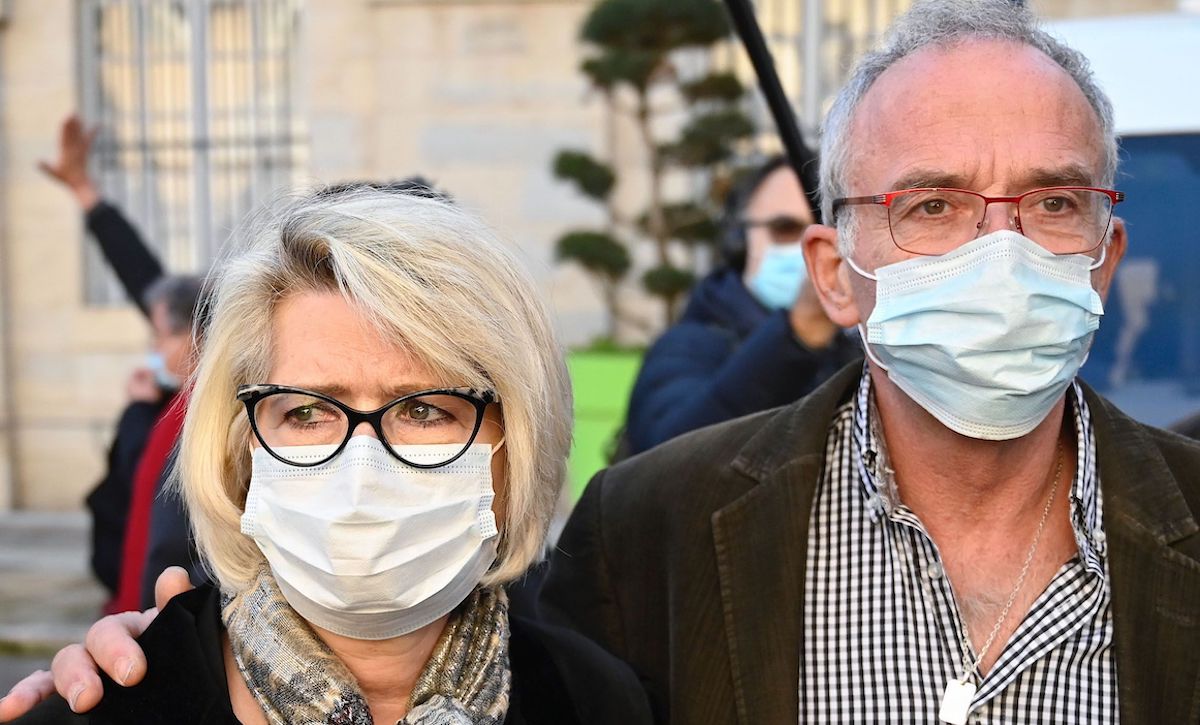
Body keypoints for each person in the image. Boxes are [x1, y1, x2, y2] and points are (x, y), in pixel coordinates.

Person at [540, 3, 1198, 724]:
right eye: (933, 206)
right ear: (833, 275)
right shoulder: (648, 531)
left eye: (1054, 202)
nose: (1002, 253)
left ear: (1106, 259)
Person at [1, 186, 651, 724]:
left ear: (517, 444)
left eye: (425, 409)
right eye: (307, 412)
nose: (361, 466)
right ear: (243, 447)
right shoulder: (116, 702)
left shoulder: (593, 698)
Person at [39, 114, 206, 609]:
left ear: (198, 335)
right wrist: (85, 191)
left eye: (160, 336)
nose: (154, 350)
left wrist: (136, 412)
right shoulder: (172, 393)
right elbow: (142, 275)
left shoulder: (212, 411)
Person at [622, 157, 859, 455]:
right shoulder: (687, 345)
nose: (811, 248)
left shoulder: (859, 346)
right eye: (786, 228)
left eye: (829, 230)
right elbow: (669, 455)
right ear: (738, 240)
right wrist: (800, 330)